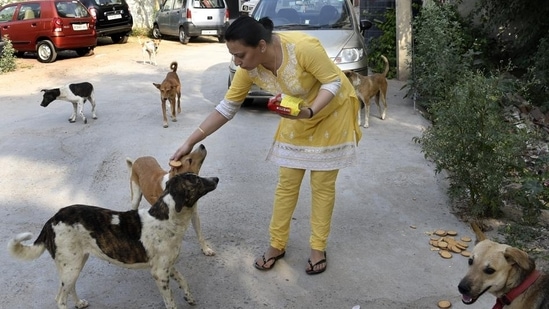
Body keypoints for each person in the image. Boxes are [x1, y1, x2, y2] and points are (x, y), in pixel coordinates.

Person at [170, 15, 362, 275]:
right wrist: (190, 141)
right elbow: (227, 107)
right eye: (233, 55)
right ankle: (277, 244)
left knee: (322, 186)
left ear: (261, 46)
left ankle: (318, 247)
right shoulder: (249, 69)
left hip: (331, 113)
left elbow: (333, 81)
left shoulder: (303, 48)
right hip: (297, 114)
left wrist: (309, 112)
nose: (237, 62)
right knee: (287, 184)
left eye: (240, 55)